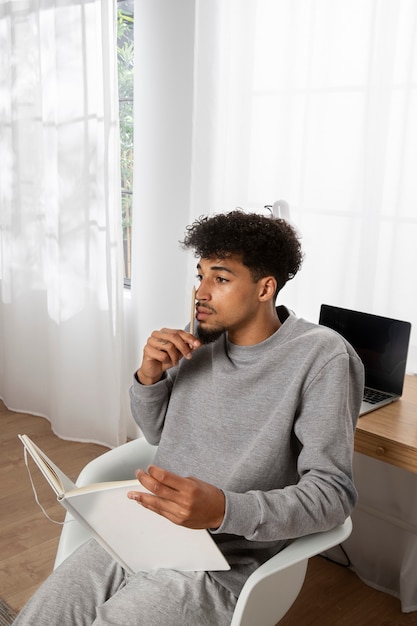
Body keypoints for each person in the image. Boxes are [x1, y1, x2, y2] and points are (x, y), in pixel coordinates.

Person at [14, 210, 364, 626]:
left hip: (218, 565)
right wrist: (149, 377)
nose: (201, 292)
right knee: (41, 616)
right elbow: (159, 432)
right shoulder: (200, 337)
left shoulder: (321, 356)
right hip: (138, 529)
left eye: (220, 278)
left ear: (264, 288)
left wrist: (222, 510)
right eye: (199, 276)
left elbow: (333, 496)